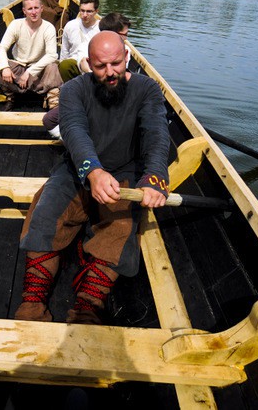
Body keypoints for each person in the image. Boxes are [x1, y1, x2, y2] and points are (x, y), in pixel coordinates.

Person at [14, 31, 170, 324]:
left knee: (122, 227)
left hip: (125, 172)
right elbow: (73, 129)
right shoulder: (74, 89)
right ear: (89, 63)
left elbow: (156, 133)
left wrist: (155, 176)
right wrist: (93, 171)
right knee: (44, 214)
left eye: (115, 64)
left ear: (127, 58)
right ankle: (33, 301)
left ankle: (88, 303)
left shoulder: (148, 89)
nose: (110, 72)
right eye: (101, 66)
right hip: (76, 168)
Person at [42, 12, 132, 138]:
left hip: (112, 98)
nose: (126, 38)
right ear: (113, 34)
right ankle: (74, 139)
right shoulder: (87, 46)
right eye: (125, 34)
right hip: (90, 95)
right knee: (50, 120)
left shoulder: (126, 50)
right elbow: (83, 62)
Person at [0, 0, 62, 111]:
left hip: (38, 70)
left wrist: (29, 72)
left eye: (36, 8)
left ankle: (53, 103)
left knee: (53, 67)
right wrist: (4, 68)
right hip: (19, 66)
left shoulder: (48, 28)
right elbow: (2, 48)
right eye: (30, 9)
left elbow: (52, 55)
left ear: (41, 9)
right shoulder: (16, 25)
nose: (33, 12)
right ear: (24, 11)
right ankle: (11, 96)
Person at [58, 0, 100, 82]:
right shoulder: (70, 25)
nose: (84, 15)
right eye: (82, 10)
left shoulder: (101, 28)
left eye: (89, 11)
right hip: (74, 64)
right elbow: (64, 52)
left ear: (96, 11)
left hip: (93, 65)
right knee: (64, 65)